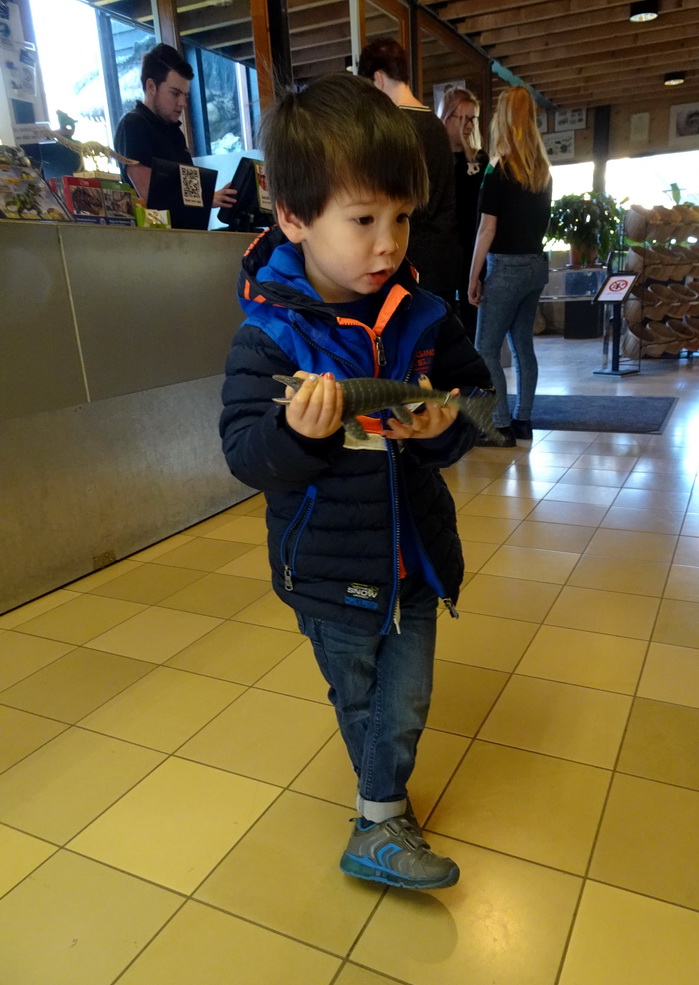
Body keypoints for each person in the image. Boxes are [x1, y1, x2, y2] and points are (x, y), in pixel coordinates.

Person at [219, 73, 494, 890]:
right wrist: (295, 438)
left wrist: (448, 425)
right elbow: (244, 450)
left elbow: (477, 399)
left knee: (402, 695)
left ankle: (380, 815)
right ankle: (381, 822)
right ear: (295, 219)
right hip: (330, 567)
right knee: (366, 696)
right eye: (364, 220)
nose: (388, 244)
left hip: (413, 552)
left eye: (401, 219)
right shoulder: (269, 335)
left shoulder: (421, 314)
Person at [468, 86, 552, 445]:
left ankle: (500, 425)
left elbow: (487, 229)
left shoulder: (500, 170)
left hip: (505, 267)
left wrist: (473, 276)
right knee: (523, 347)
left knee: (485, 348)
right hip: (536, 266)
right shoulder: (543, 173)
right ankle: (524, 421)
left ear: (503, 119)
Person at [357, 38, 462, 306]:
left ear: (378, 79)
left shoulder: (392, 128)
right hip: (443, 257)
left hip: (408, 259)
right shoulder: (437, 126)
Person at [113, 43, 236, 214]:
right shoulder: (133, 125)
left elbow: (191, 192)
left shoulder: (175, 132)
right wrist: (207, 198)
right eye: (175, 93)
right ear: (151, 87)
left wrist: (212, 196)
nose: (182, 103)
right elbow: (150, 196)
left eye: (185, 95)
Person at [439, 86, 489, 336]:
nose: (470, 125)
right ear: (447, 118)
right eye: (464, 118)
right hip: (444, 251)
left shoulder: (481, 160)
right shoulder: (436, 160)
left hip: (474, 249)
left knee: (474, 321)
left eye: (474, 118)